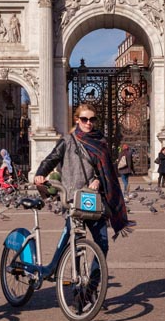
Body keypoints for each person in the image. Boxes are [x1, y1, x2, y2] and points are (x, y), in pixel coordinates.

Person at [34, 103, 134, 261]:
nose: (89, 123)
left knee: (102, 244)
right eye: (84, 119)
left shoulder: (101, 142)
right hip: (73, 199)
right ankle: (74, 280)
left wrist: (98, 181)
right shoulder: (67, 141)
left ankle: (93, 284)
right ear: (77, 120)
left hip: (94, 198)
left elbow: (107, 171)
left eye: (92, 119)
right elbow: (51, 159)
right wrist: (40, 174)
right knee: (74, 243)